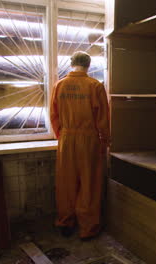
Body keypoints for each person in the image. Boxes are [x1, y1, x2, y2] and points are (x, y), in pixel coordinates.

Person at [50, 51, 110, 240]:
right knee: (89, 183)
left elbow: (54, 115)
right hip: (88, 139)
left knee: (66, 182)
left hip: (67, 138)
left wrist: (62, 136)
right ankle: (88, 228)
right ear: (88, 65)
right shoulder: (95, 86)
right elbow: (103, 120)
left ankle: (65, 222)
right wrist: (104, 142)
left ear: (71, 64)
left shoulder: (59, 85)